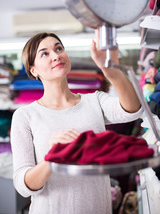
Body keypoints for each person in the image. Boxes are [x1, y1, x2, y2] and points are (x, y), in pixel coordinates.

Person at [10, 31, 143, 214]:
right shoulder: (25, 116)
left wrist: (112, 71)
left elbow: (133, 109)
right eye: (45, 53)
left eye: (58, 48)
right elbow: (23, 185)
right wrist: (53, 157)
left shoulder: (94, 101)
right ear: (34, 70)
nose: (56, 55)